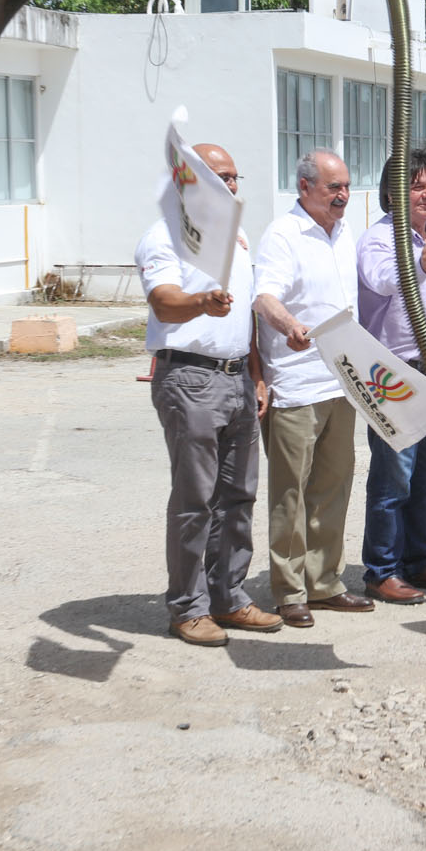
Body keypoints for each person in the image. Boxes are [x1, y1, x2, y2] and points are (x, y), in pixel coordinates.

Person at [135, 142, 284, 646]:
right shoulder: (165, 236)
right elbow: (164, 302)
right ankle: (187, 607)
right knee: (195, 500)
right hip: (191, 380)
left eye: (236, 177)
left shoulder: (236, 239)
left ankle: (228, 597)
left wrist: (257, 375)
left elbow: (245, 317)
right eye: (220, 176)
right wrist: (201, 301)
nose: (231, 186)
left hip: (238, 376)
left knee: (237, 496)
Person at [253, 149, 370, 627]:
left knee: (333, 485)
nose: (342, 196)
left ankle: (324, 583)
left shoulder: (345, 234)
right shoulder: (283, 235)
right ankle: (289, 589)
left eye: (345, 186)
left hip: (340, 381)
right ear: (305, 188)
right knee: (291, 494)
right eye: (332, 188)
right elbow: (264, 297)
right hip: (297, 385)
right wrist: (290, 325)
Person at [354, 149, 426, 604]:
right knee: (393, 475)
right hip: (394, 373)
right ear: (390, 193)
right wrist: (418, 264)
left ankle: (417, 559)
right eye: (417, 185)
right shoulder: (379, 239)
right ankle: (381, 568)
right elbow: (379, 280)